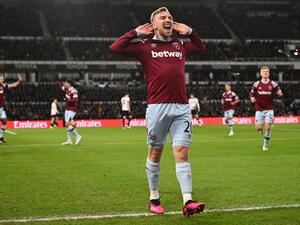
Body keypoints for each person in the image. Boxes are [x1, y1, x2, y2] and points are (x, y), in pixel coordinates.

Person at [110, 7, 206, 216]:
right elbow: (115, 47)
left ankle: (188, 200)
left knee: (182, 152)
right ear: (154, 24)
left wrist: (190, 31)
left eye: (170, 17)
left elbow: (201, 46)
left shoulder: (180, 45)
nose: (168, 20)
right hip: (157, 107)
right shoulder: (144, 47)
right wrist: (135, 33)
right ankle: (154, 196)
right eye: (163, 17)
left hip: (182, 107)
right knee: (156, 152)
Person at [250, 66, 283, 151]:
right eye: (263, 71)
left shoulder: (273, 84)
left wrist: (279, 93)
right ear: (260, 73)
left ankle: (265, 144)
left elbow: (278, 90)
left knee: (268, 127)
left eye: (267, 71)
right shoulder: (256, 84)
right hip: (259, 108)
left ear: (269, 73)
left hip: (269, 108)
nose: (265, 73)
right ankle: (261, 128)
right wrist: (252, 98)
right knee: (258, 128)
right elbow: (252, 93)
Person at [56, 80, 82, 145]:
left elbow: (76, 100)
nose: (65, 84)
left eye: (66, 83)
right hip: (67, 109)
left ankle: (77, 136)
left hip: (72, 109)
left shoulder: (74, 90)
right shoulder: (66, 89)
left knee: (68, 124)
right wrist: (57, 82)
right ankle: (69, 140)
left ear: (69, 84)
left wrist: (68, 99)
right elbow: (60, 87)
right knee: (67, 125)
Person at [0, 74, 22, 143]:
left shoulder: (4, 85)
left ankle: (1, 136)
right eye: (0, 78)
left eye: (1, 78)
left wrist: (19, 81)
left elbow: (13, 85)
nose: (1, 79)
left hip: (1, 108)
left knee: (4, 121)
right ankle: (1, 137)